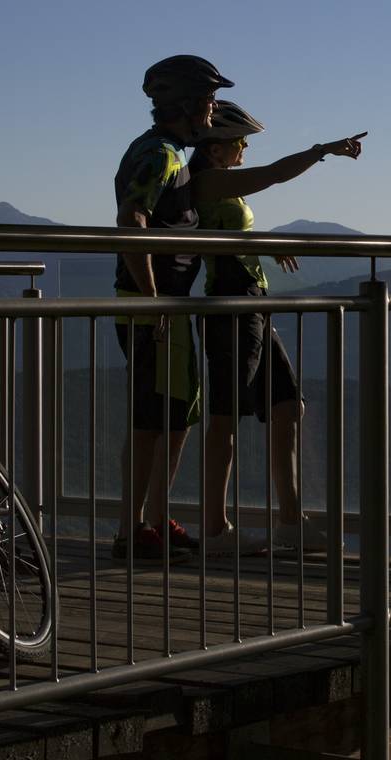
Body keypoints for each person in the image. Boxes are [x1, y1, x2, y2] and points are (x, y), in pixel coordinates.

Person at [190, 101, 364, 553]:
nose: (245, 149)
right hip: (229, 305)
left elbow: (233, 233)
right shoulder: (208, 183)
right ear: (214, 150)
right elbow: (275, 173)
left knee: (288, 406)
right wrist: (322, 149)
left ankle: (290, 521)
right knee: (226, 416)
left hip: (253, 301)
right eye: (239, 142)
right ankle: (214, 530)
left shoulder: (223, 187)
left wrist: (266, 244)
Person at [111, 54, 231, 562]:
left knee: (166, 415)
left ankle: (148, 522)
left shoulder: (160, 151)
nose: (213, 110)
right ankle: (137, 529)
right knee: (159, 417)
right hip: (158, 304)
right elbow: (131, 218)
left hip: (153, 301)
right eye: (207, 101)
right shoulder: (161, 155)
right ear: (186, 105)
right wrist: (156, 294)